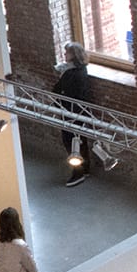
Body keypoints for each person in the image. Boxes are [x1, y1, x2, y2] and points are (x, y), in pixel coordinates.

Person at [53, 42, 118, 185]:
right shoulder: (79, 71)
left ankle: (78, 172)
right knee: (79, 141)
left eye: (67, 53)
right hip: (76, 112)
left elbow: (65, 92)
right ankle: (84, 169)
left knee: (72, 143)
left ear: (73, 55)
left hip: (72, 113)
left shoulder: (72, 74)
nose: (65, 55)